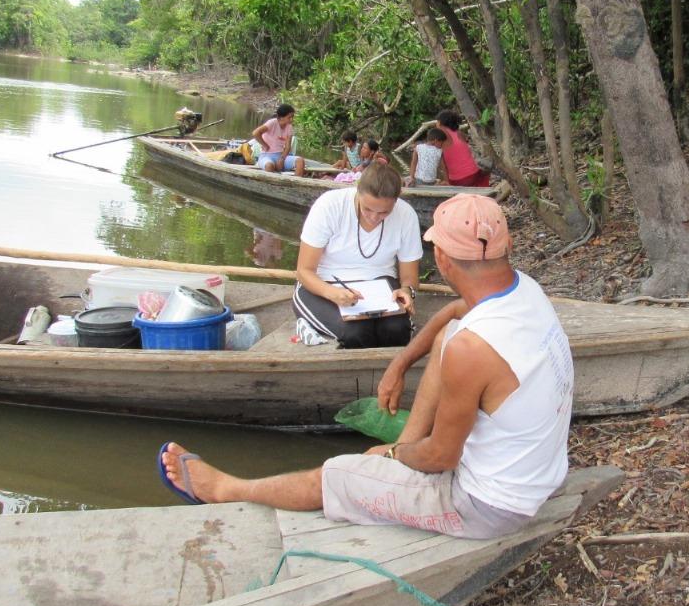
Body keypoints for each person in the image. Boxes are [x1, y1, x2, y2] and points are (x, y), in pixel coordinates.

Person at [159, 194, 574, 540]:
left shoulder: (475, 349)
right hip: (536, 474)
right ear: (503, 248)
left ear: (442, 258)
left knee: (338, 473)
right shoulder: (523, 289)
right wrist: (402, 360)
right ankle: (391, 462)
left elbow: (441, 456)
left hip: (486, 505)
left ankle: (226, 489)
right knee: (448, 337)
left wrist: (393, 451)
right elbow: (452, 311)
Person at [291, 163, 421, 349]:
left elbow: (409, 277)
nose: (374, 218)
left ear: (396, 201)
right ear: (357, 192)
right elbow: (304, 271)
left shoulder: (406, 214)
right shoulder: (330, 205)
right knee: (356, 333)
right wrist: (333, 293)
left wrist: (407, 291)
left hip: (380, 284)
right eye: (367, 209)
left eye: (384, 212)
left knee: (397, 330)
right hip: (325, 283)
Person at [436, 110, 491, 188]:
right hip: (475, 173)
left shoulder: (441, 134)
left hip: (460, 180)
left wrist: (447, 183)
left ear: (440, 122)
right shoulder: (459, 133)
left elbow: (443, 165)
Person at [252, 104, 306, 177]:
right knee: (269, 166)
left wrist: (282, 159)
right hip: (266, 156)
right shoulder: (272, 122)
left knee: (300, 161)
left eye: (292, 117)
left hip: (281, 155)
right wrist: (265, 145)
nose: (291, 119)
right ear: (281, 117)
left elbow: (287, 147)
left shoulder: (289, 127)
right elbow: (256, 133)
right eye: (289, 117)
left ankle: (296, 183)